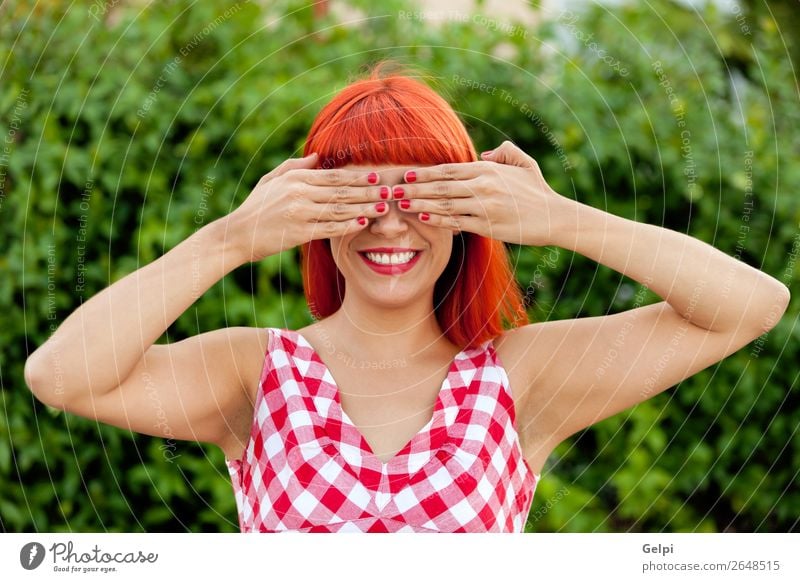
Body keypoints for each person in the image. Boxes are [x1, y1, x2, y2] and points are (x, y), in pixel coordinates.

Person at [24, 65, 790, 533]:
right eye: (362, 195)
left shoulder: (518, 380)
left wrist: (561, 219)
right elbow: (59, 376)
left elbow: (751, 304)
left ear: (463, 213)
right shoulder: (256, 374)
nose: (390, 223)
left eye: (421, 195)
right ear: (316, 216)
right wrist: (229, 238)